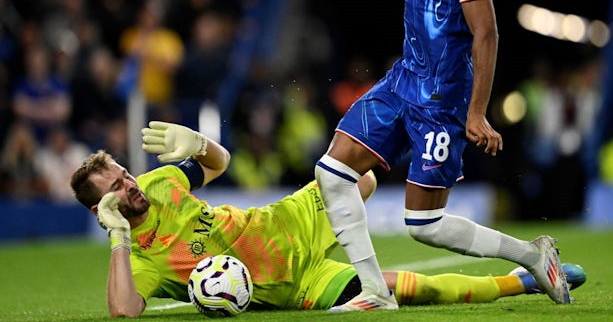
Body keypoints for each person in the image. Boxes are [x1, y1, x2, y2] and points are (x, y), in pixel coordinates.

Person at [313, 0, 572, 312]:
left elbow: (486, 32)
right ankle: (374, 292)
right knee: (331, 174)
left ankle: (532, 255)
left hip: (440, 101)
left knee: (423, 223)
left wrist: (476, 112)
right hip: (401, 84)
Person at [70, 121, 585, 317]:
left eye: (124, 174)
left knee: (357, 175)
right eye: (116, 186)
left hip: (284, 220)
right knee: (405, 289)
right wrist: (118, 239)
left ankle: (431, 144)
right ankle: (523, 280)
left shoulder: (161, 183)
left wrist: (201, 144)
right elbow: (123, 312)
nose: (130, 184)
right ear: (102, 209)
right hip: (296, 284)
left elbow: (217, 165)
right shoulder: (142, 260)